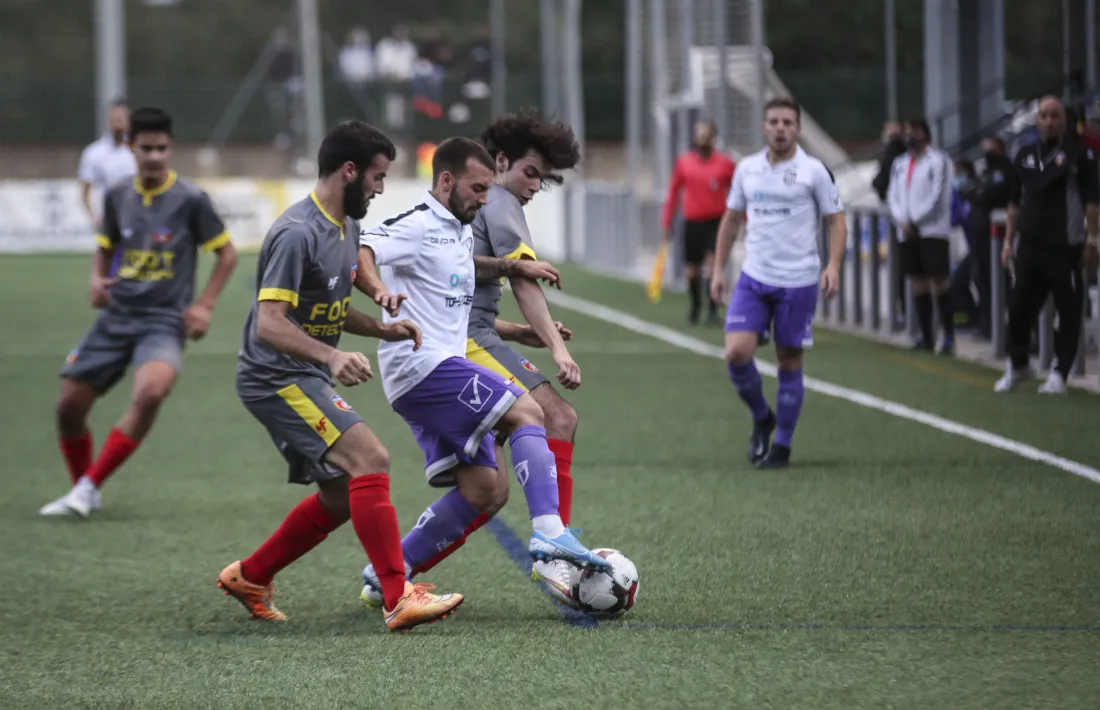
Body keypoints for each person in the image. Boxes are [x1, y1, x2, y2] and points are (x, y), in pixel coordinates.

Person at [217, 120, 464, 632]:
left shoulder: (346, 228)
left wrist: (381, 327)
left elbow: (329, 306)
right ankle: (398, 596)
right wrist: (331, 358)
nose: (379, 187)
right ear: (349, 171)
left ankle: (252, 575)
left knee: (341, 495)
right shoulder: (295, 233)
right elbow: (269, 324)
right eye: (376, 176)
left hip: (301, 372)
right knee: (370, 458)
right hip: (275, 376)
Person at [355, 137, 611, 605]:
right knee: (529, 412)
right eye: (478, 187)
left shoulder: (456, 230)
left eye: (488, 189)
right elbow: (363, 250)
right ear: (447, 180)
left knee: (486, 491)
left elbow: (454, 303)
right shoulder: (416, 223)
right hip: (422, 365)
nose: (485, 198)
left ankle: (388, 572)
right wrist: (378, 293)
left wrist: (518, 330)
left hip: (433, 369)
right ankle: (551, 534)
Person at [40, 107, 238, 517]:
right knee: (68, 407)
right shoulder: (117, 195)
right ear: (131, 147)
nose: (154, 156)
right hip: (116, 315)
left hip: (164, 320)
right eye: (146, 148)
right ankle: (84, 488)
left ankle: (89, 487)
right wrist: (97, 279)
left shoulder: (190, 199)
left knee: (150, 393)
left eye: (161, 149)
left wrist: (204, 304)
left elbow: (227, 254)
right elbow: (105, 244)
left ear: (171, 148)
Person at [711, 97, 846, 470]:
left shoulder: (814, 171)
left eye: (788, 121)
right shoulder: (748, 169)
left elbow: (836, 221)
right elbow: (732, 220)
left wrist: (833, 265)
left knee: (788, 358)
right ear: (764, 127)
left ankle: (782, 446)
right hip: (755, 277)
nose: (781, 127)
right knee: (737, 352)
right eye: (774, 121)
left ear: (798, 128)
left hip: (799, 280)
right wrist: (719, 270)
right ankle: (761, 416)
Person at [996, 95, 1100, 394]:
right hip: (1029, 244)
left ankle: (1060, 372)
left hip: (1065, 246)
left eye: (1055, 116)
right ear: (1037, 119)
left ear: (1064, 120)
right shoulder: (1024, 154)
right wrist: (1007, 241)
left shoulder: (1081, 155)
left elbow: (1092, 203)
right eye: (1044, 115)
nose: (1050, 121)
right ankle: (1018, 365)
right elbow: (1014, 204)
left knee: (1067, 311)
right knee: (1017, 308)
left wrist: (1092, 240)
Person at [887, 118, 956, 354]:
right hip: (907, 231)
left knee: (939, 282)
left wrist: (917, 221)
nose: (910, 136)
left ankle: (948, 337)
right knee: (918, 284)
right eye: (907, 132)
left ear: (925, 134)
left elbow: (939, 196)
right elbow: (892, 195)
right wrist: (902, 220)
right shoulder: (900, 163)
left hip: (932, 230)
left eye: (914, 132)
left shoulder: (938, 161)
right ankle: (926, 337)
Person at [661, 120, 737, 326]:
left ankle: (713, 309)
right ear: (694, 137)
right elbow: (673, 193)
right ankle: (695, 305)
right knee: (692, 270)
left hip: (716, 222)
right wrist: (667, 221)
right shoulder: (684, 163)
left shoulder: (725, 164)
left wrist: (744, 217)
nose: (702, 138)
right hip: (692, 222)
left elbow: (739, 191)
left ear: (714, 138)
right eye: (699, 134)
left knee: (713, 265)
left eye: (707, 134)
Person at [969, 136, 1014, 338]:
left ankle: (1003, 328)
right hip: (980, 234)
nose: (987, 152)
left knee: (1000, 282)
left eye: (992, 148)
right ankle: (988, 325)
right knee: (981, 280)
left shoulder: (1005, 170)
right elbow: (973, 190)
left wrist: (980, 193)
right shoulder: (985, 170)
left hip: (996, 236)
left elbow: (991, 194)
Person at [78, 98, 137, 232]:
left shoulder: (138, 150)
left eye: (121, 118)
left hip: (137, 218)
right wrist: (94, 217)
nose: (118, 122)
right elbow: (85, 191)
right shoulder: (93, 153)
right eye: (114, 118)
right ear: (107, 120)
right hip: (109, 221)